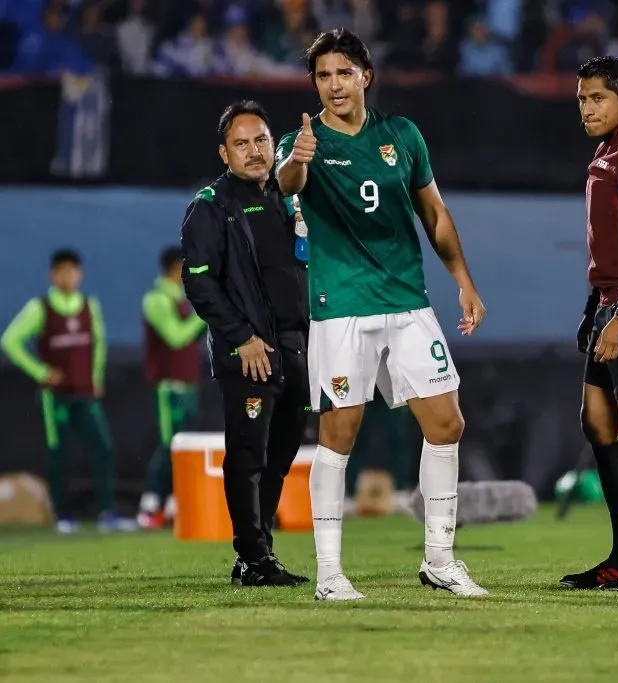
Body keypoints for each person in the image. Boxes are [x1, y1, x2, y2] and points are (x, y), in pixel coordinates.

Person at [276, 28, 488, 600]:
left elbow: (435, 214)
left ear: (366, 75)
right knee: (339, 433)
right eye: (323, 75)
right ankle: (328, 574)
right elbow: (286, 184)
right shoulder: (303, 141)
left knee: (447, 423)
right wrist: (297, 162)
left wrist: (463, 282)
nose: (334, 84)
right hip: (341, 307)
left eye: (344, 72)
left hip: (407, 300)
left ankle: (440, 560)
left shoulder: (402, 135)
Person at [180, 100, 311, 587]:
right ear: (224, 152)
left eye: (260, 141)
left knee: (281, 455)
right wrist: (243, 339)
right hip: (250, 354)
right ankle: (252, 556)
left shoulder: (288, 195)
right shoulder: (211, 207)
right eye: (241, 144)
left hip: (297, 347)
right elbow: (199, 283)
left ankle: (260, 553)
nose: (254, 152)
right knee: (249, 455)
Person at [560, 56, 618, 591]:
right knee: (597, 422)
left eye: (598, 98)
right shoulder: (610, 148)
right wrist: (599, 305)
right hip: (609, 299)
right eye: (582, 99)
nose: (588, 108)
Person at [0, 249, 135, 533]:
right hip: (56, 397)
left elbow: (98, 343)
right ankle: (62, 516)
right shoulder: (40, 307)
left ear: (79, 274)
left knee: (103, 449)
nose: (68, 277)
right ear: (53, 275)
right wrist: (41, 372)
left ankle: (107, 512)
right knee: (58, 453)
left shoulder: (89, 305)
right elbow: (10, 341)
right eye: (62, 272)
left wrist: (95, 377)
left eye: (73, 271)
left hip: (85, 393)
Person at [136, 246, 207, 530]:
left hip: (188, 385)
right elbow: (176, 337)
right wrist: (203, 313)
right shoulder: (155, 300)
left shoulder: (180, 298)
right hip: (169, 388)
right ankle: (149, 504)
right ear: (176, 267)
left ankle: (172, 505)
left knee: (182, 446)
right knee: (169, 446)